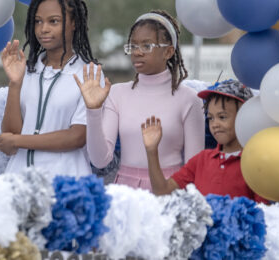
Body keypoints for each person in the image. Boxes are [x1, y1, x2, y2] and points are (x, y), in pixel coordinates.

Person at [75, 10, 205, 191]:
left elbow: (194, 170)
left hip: (170, 191)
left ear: (168, 51)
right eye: (133, 46)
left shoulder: (190, 100)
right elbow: (100, 160)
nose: (137, 52)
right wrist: (93, 110)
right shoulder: (117, 93)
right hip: (126, 194)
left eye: (146, 46)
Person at [0, 0, 98, 177]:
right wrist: (15, 84)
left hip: (66, 183)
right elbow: (10, 136)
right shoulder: (26, 70)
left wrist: (19, 141)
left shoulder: (89, 75)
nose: (43, 29)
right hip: (20, 181)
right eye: (38, 21)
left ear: (74, 23)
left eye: (54, 21)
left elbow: (77, 137)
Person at [142, 79, 268, 203]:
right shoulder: (200, 160)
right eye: (210, 118)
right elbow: (163, 192)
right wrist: (151, 151)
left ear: (245, 116)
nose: (214, 124)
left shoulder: (256, 164)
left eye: (222, 117)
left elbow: (264, 215)